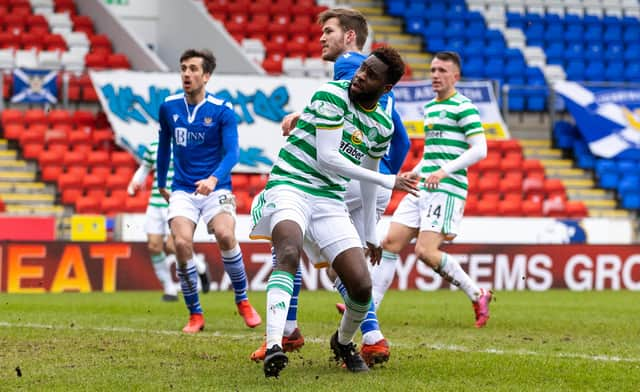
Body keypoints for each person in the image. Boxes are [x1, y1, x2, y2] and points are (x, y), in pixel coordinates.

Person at [250, 7, 410, 368]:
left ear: (385, 89)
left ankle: (343, 341)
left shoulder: (381, 124)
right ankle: (276, 342)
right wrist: (390, 179)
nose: (359, 76)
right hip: (290, 185)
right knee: (288, 251)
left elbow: (367, 180)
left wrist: (370, 234)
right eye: (361, 68)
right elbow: (328, 159)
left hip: (330, 199)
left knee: (362, 284)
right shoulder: (332, 94)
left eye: (369, 75)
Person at [380, 51, 493, 328]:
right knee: (390, 243)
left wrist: (445, 171)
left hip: (448, 188)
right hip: (426, 186)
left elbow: (480, 149)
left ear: (455, 76)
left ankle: (478, 294)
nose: (435, 75)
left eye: (442, 70)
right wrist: (415, 172)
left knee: (425, 251)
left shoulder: (464, 106)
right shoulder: (430, 108)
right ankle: (367, 307)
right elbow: (432, 155)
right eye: (432, 70)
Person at [156, 48, 261, 333]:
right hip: (183, 189)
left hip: (217, 188)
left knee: (226, 235)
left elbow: (233, 153)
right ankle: (195, 314)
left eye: (192, 69)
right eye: (183, 68)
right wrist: (161, 183)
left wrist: (213, 179)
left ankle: (242, 300)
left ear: (207, 75)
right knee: (180, 244)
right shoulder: (168, 107)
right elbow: (165, 144)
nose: (186, 74)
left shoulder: (222, 110)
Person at [127, 140, 212, 302]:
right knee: (154, 246)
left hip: (177, 201)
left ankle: (200, 267)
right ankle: (169, 288)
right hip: (155, 203)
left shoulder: (189, 144)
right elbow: (145, 168)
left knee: (172, 246)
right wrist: (135, 182)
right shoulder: (153, 146)